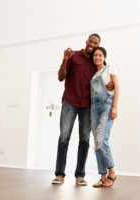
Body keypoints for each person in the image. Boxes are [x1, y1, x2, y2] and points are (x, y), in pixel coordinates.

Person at [52, 34, 113, 186]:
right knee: (64, 137)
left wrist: (109, 85)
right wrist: (65, 59)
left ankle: (80, 175)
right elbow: (61, 77)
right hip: (69, 102)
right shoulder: (73, 56)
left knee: (84, 140)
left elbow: (105, 77)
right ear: (87, 42)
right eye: (91, 41)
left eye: (96, 43)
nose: (92, 44)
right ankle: (59, 175)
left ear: (98, 45)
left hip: (88, 106)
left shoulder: (97, 61)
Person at [90, 47, 120, 188]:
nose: (97, 58)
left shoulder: (110, 68)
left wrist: (114, 107)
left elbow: (117, 88)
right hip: (94, 109)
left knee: (101, 140)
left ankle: (111, 172)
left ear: (104, 56)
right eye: (95, 55)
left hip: (106, 106)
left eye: (100, 55)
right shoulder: (93, 75)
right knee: (97, 143)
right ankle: (102, 176)